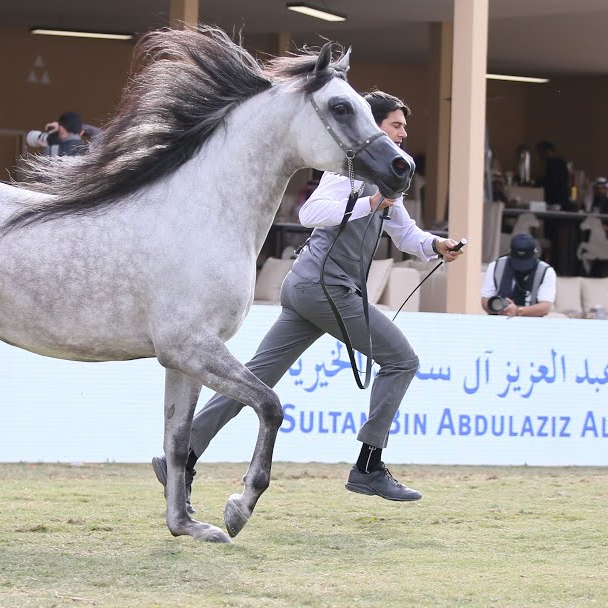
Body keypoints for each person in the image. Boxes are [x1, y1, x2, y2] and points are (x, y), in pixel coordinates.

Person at [152, 89, 467, 510]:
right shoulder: (347, 174)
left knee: (253, 379)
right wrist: (370, 202)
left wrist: (436, 246)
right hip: (326, 290)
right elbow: (309, 214)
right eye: (397, 124)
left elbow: (406, 234)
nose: (404, 133)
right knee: (402, 361)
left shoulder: (387, 180)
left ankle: (182, 455)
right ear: (375, 127)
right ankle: (369, 466)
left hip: (308, 289)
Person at [480, 233, 556, 317]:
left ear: (535, 253)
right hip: (499, 322)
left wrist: (518, 310)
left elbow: (545, 307)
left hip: (532, 324)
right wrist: (500, 308)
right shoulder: (495, 266)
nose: (521, 268)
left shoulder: (546, 271)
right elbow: (485, 300)